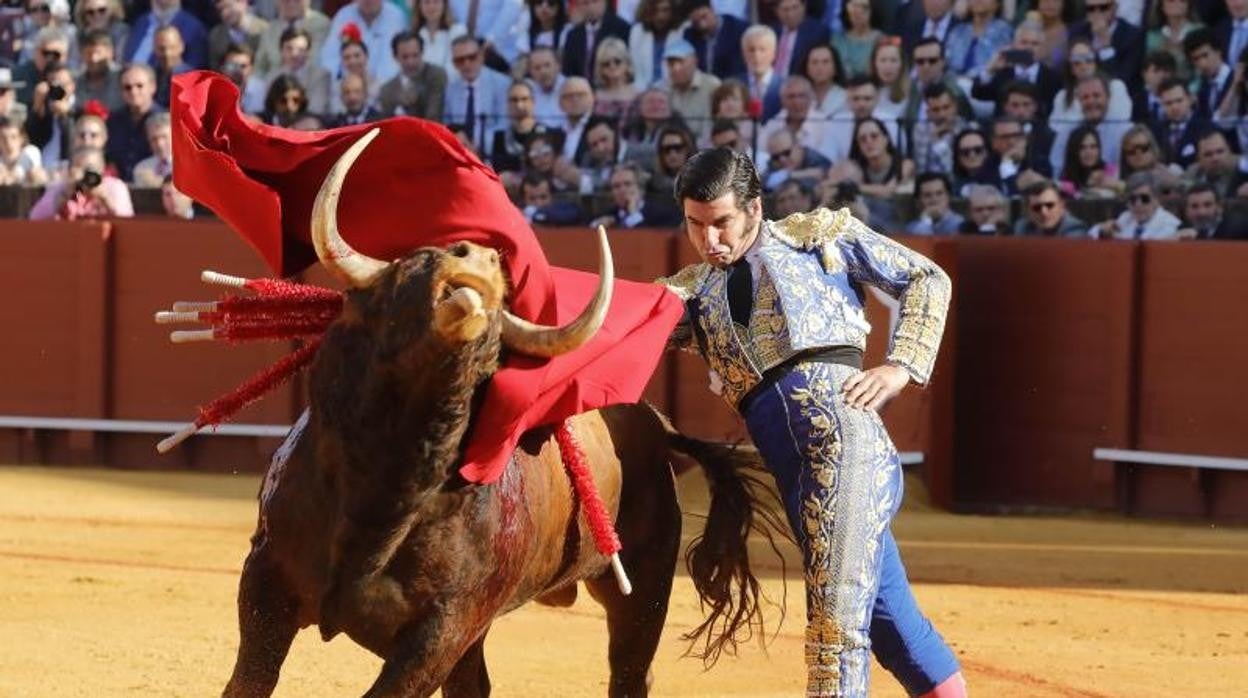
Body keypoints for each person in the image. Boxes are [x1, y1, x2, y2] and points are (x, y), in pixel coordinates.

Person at [657, 147, 966, 698]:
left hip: (845, 447)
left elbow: (927, 278)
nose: (711, 241)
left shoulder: (817, 236)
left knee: (835, 636)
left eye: (722, 223)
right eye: (695, 225)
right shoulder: (693, 293)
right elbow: (618, 322)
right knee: (896, 631)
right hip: (799, 480)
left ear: (754, 209)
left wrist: (901, 367)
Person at [28, 144, 134, 220]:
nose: (85, 174)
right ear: (70, 169)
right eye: (79, 168)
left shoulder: (114, 187)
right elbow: (35, 217)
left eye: (90, 168)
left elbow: (127, 220)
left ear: (102, 170)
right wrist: (64, 196)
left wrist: (104, 198)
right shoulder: (61, 187)